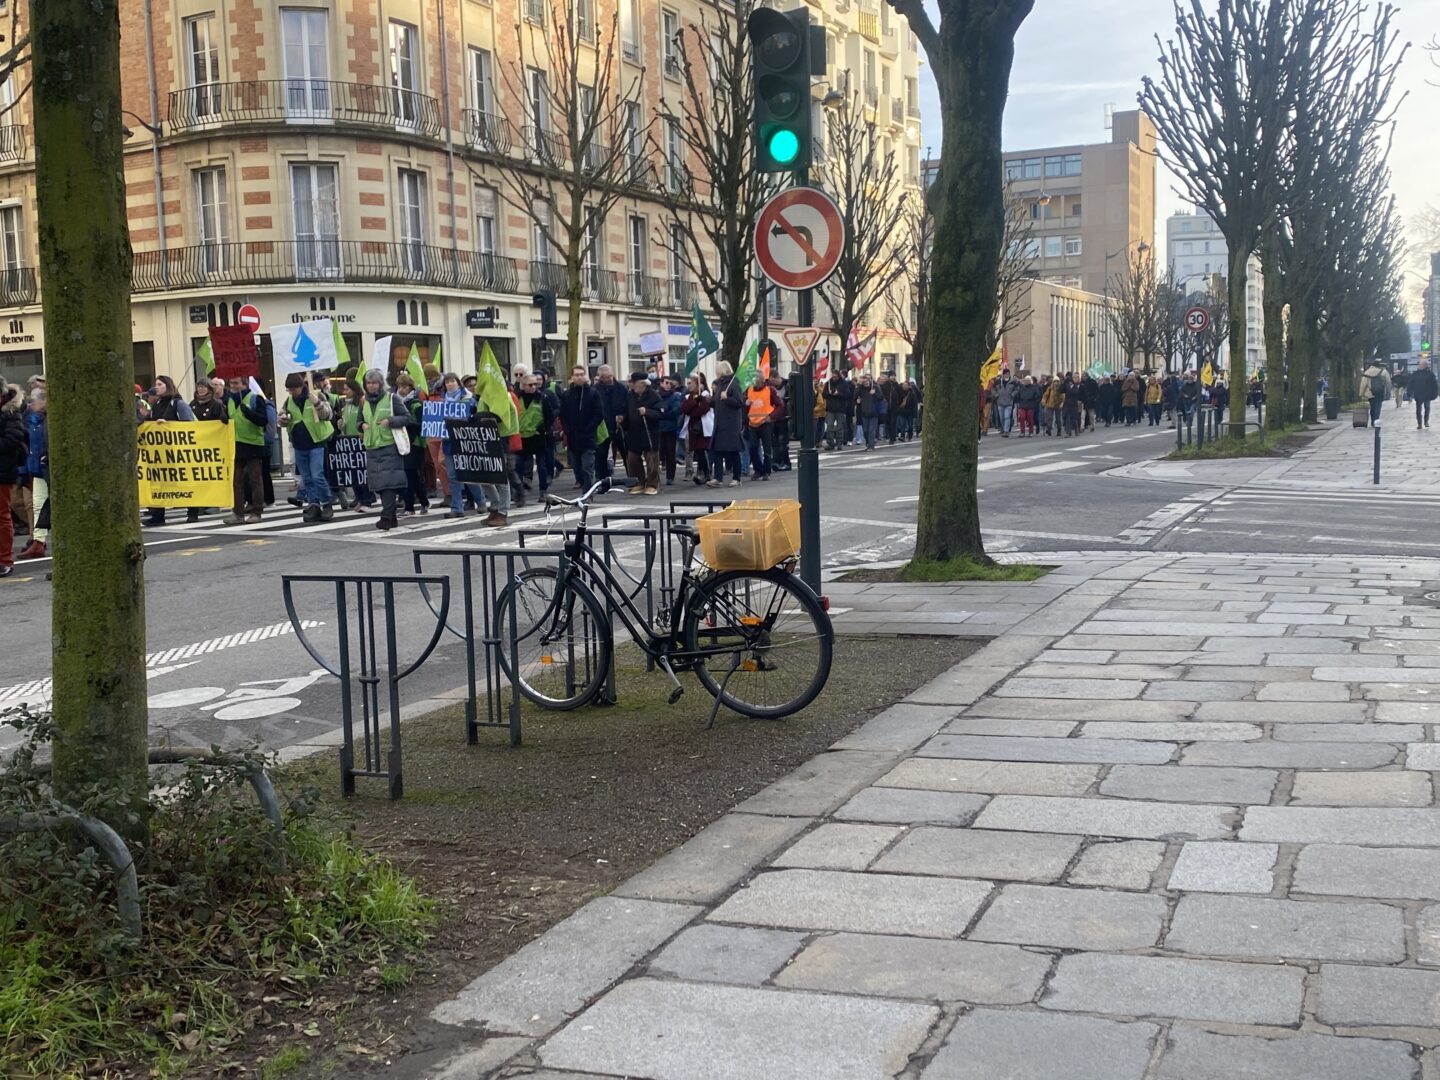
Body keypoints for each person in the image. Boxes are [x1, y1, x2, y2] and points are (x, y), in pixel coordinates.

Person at [357, 368, 411, 530]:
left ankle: (386, 516)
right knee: (378, 484)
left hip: (389, 444)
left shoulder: (392, 398)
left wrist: (390, 421)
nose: (371, 386)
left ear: (381, 384)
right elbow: (359, 421)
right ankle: (391, 516)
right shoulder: (364, 401)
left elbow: (406, 417)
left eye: (374, 383)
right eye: (368, 383)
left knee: (388, 483)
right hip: (372, 445)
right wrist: (362, 425)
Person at [279, 372, 336, 523]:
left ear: (301, 386)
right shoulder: (289, 401)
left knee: (317, 475)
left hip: (316, 441)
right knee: (307, 478)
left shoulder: (316, 395)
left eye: (293, 389)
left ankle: (326, 503)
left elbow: (328, 415)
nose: (291, 393)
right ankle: (313, 504)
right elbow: (283, 417)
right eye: (289, 390)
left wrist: (317, 403)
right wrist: (283, 420)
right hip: (299, 444)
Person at [223, 376, 269, 525]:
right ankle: (238, 512)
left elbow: (263, 420)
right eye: (231, 383)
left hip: (253, 443)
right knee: (237, 481)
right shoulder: (230, 400)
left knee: (255, 480)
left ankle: (257, 511)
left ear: (244, 384)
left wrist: (249, 413)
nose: (233, 385)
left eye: (236, 383)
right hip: (236, 443)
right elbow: (231, 417)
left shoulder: (255, 398)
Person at [558, 365, 605, 490]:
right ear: (572, 377)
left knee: (587, 465)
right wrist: (567, 430)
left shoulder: (593, 393)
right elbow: (562, 414)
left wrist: (590, 428)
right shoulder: (567, 395)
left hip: (588, 436)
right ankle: (580, 481)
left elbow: (599, 414)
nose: (579, 377)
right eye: (576, 375)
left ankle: (588, 489)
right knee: (576, 464)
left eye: (581, 374)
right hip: (573, 436)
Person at [392, 372, 430, 516]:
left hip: (415, 443)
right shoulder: (395, 403)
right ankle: (414, 504)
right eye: (399, 386)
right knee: (407, 474)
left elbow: (422, 425)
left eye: (404, 387)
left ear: (410, 387)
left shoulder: (416, 404)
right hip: (401, 441)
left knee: (413, 474)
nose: (401, 390)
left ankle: (416, 503)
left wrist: (406, 423)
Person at [15, 387, 46, 561]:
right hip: (35, 467)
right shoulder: (34, 420)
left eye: (35, 401)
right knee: (36, 505)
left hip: (44, 466)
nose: (32, 404)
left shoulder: (44, 420)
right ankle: (38, 541)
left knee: (39, 505)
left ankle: (39, 540)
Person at [516, 373, 557, 496]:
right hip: (522, 436)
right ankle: (519, 492)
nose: (534, 387)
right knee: (519, 466)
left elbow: (550, 416)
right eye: (530, 385)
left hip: (538, 436)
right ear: (523, 385)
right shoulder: (517, 398)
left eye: (535, 384)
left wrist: (542, 429)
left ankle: (543, 491)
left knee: (541, 465)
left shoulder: (542, 398)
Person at [621, 371, 662, 495]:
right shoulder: (630, 395)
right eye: (631, 382)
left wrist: (647, 412)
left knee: (651, 459)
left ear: (643, 383)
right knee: (632, 458)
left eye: (634, 383)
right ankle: (638, 483)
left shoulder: (654, 395)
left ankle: (652, 484)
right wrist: (622, 418)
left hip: (649, 432)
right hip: (634, 432)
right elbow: (626, 410)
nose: (632, 385)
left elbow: (660, 413)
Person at [708, 361, 745, 487]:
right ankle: (718, 478)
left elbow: (739, 402)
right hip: (720, 423)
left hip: (730, 425)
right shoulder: (720, 384)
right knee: (717, 452)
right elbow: (716, 402)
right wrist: (709, 400)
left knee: (733, 452)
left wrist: (727, 398)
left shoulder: (733, 384)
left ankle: (737, 478)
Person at [0, 384, 24, 577]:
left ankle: (4, 560)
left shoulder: (10, 413)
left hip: (2, 471)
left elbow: (14, 439)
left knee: (2, 516)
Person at [594, 364, 628, 482]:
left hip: (620, 426)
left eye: (610, 376)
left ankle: (632, 476)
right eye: (605, 377)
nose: (609, 379)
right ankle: (602, 479)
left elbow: (628, 405)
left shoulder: (621, 388)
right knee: (601, 455)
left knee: (626, 452)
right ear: (600, 378)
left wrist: (623, 416)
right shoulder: (596, 390)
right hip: (603, 426)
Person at [744, 370, 780, 480]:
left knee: (767, 449)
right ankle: (758, 470)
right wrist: (746, 404)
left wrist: (772, 417)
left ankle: (766, 472)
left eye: (755, 379)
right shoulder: (750, 390)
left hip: (766, 423)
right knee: (752, 448)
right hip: (753, 424)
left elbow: (780, 405)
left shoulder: (770, 390)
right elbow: (747, 407)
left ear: (760, 379)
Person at [679, 372, 713, 485]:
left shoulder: (705, 394)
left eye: (691, 383)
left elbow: (703, 409)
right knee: (698, 451)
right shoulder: (690, 396)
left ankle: (706, 473)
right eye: (688, 383)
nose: (689, 385)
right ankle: (703, 473)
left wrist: (693, 410)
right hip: (693, 428)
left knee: (703, 450)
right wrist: (695, 402)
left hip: (703, 427)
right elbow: (685, 408)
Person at [657, 376, 683, 484]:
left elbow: (676, 410)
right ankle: (656, 475)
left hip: (670, 428)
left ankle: (670, 476)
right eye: (666, 383)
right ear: (661, 383)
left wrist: (663, 412)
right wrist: (661, 412)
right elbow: (655, 408)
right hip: (658, 428)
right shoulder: (656, 395)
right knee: (658, 452)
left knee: (670, 453)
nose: (668, 385)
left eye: (670, 383)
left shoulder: (675, 395)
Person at [822, 371, 852, 450]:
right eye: (833, 377)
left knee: (840, 427)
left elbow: (848, 395)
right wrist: (829, 393)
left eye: (835, 377)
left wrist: (838, 393)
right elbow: (824, 394)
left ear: (838, 376)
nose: (834, 378)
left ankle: (839, 443)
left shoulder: (844, 383)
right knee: (829, 426)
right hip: (830, 408)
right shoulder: (828, 383)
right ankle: (830, 443)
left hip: (840, 408)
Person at [1359, 359, 1392, 428]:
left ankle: (1372, 421)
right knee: (1378, 406)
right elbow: (1388, 382)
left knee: (1372, 407)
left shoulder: (1367, 372)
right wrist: (1388, 390)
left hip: (1370, 393)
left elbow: (1363, 384)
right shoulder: (1383, 372)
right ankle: (1376, 420)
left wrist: (1361, 393)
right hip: (1380, 392)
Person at [853, 373, 881, 450]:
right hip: (864, 412)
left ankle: (870, 446)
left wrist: (874, 393)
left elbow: (881, 397)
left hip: (873, 412)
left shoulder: (875, 387)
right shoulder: (860, 389)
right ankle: (869, 442)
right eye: (864, 381)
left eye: (867, 381)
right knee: (865, 430)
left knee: (871, 430)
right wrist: (857, 401)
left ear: (870, 381)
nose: (865, 383)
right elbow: (854, 397)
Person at [1412, 358, 1438, 429]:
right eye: (1420, 365)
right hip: (1418, 394)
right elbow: (1411, 383)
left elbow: (1434, 384)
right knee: (1418, 409)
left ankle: (1426, 421)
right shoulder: (1415, 374)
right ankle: (1419, 424)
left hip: (1427, 394)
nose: (1420, 366)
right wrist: (1410, 392)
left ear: (1425, 365)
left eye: (1422, 365)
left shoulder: (1430, 374)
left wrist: (1435, 393)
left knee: (1427, 408)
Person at [992, 369, 1017, 437]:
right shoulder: (998, 382)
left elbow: (1016, 389)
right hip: (1000, 402)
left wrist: (1012, 395)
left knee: (1007, 417)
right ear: (1003, 374)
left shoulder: (1013, 382)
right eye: (1006, 374)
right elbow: (993, 389)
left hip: (1009, 402)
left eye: (1008, 374)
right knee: (1002, 417)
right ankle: (1003, 429)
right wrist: (996, 395)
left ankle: (1006, 431)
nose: (1007, 375)